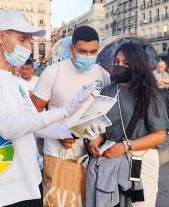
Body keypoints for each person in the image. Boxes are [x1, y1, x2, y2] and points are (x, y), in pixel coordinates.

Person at [0, 10, 95, 207]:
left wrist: (75, 129)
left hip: (31, 179)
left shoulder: (16, 82)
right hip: (4, 187)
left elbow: (34, 123)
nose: (28, 46)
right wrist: (65, 110)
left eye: (29, 41)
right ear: (1, 37)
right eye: (23, 39)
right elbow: (6, 127)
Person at [31, 26, 111, 207]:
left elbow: (106, 112)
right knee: (57, 203)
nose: (88, 56)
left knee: (86, 202)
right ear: (72, 49)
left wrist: (99, 138)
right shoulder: (53, 72)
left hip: (91, 154)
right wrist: (57, 134)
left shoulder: (103, 75)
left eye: (93, 52)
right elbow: (31, 116)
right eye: (82, 51)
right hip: (57, 153)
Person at [87, 43, 169, 207]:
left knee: (139, 204)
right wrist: (94, 142)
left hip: (140, 160)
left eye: (126, 63)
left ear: (137, 65)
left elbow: (160, 135)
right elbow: (100, 125)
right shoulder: (107, 92)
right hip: (111, 159)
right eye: (117, 61)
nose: (119, 66)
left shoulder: (151, 95)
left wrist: (126, 146)